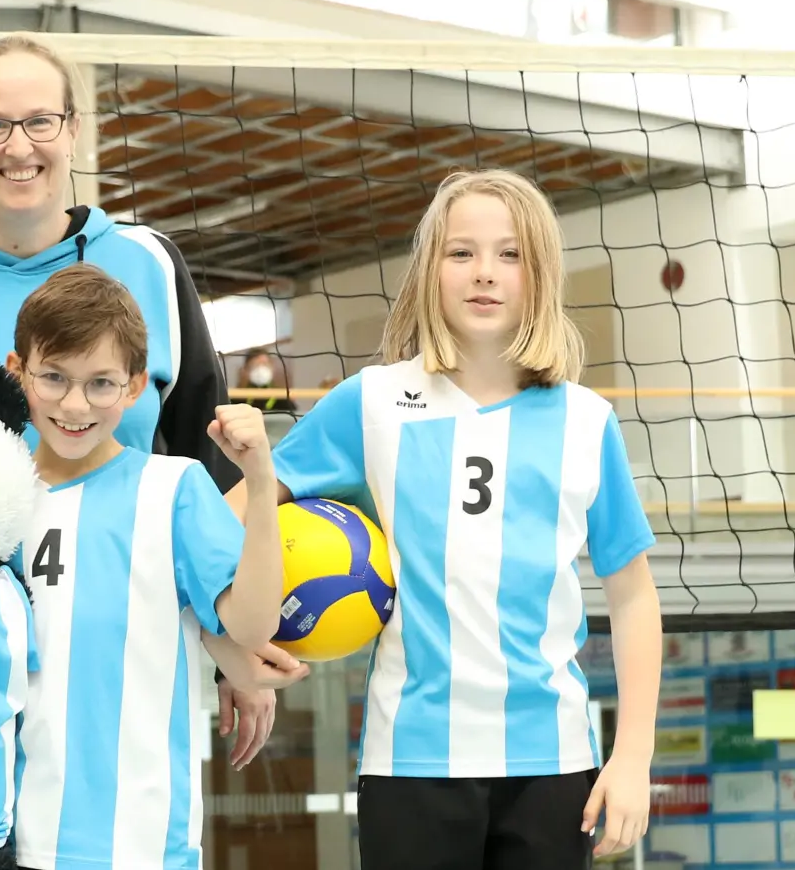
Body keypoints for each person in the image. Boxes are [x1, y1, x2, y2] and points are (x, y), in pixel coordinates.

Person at [0, 32, 275, 764]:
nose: (18, 146)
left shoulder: (150, 263)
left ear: (72, 130)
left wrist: (234, 647)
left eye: (40, 121)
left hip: (129, 642)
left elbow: (210, 457)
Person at [228, 169, 662, 869]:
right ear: (430, 270)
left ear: (541, 274)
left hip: (553, 761)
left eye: (509, 254)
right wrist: (238, 646)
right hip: (412, 761)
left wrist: (634, 754)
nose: (484, 273)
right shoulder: (370, 403)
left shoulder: (587, 421)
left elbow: (634, 594)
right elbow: (234, 520)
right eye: (461, 253)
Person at [1, 264, 309, 870]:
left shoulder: (173, 490)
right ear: (19, 372)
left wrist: (260, 478)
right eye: (54, 378)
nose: (74, 403)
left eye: (101, 384)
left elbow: (250, 628)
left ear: (137, 386)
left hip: (138, 840)